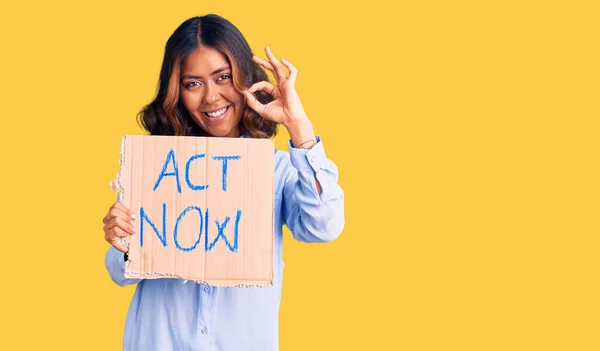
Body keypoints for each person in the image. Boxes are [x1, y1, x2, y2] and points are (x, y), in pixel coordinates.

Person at [103, 14, 344, 351]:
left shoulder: (277, 169)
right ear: (177, 91)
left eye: (223, 77)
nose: (212, 97)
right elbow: (119, 272)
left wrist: (298, 126)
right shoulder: (157, 169)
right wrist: (121, 238)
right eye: (193, 83)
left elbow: (324, 226)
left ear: (245, 78)